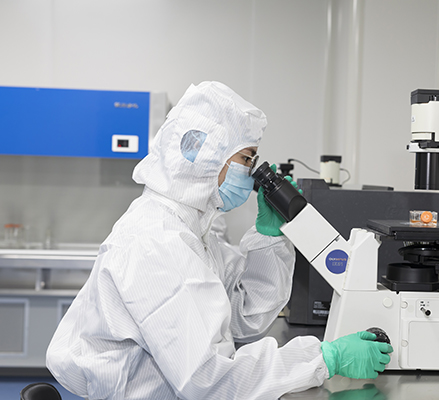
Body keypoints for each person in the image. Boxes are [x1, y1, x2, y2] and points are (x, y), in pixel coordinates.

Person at [46, 81, 393, 400]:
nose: (251, 171)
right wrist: (323, 358)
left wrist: (269, 237)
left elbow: (243, 319)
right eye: (247, 158)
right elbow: (208, 379)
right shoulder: (157, 243)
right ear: (207, 155)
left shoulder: (191, 231)